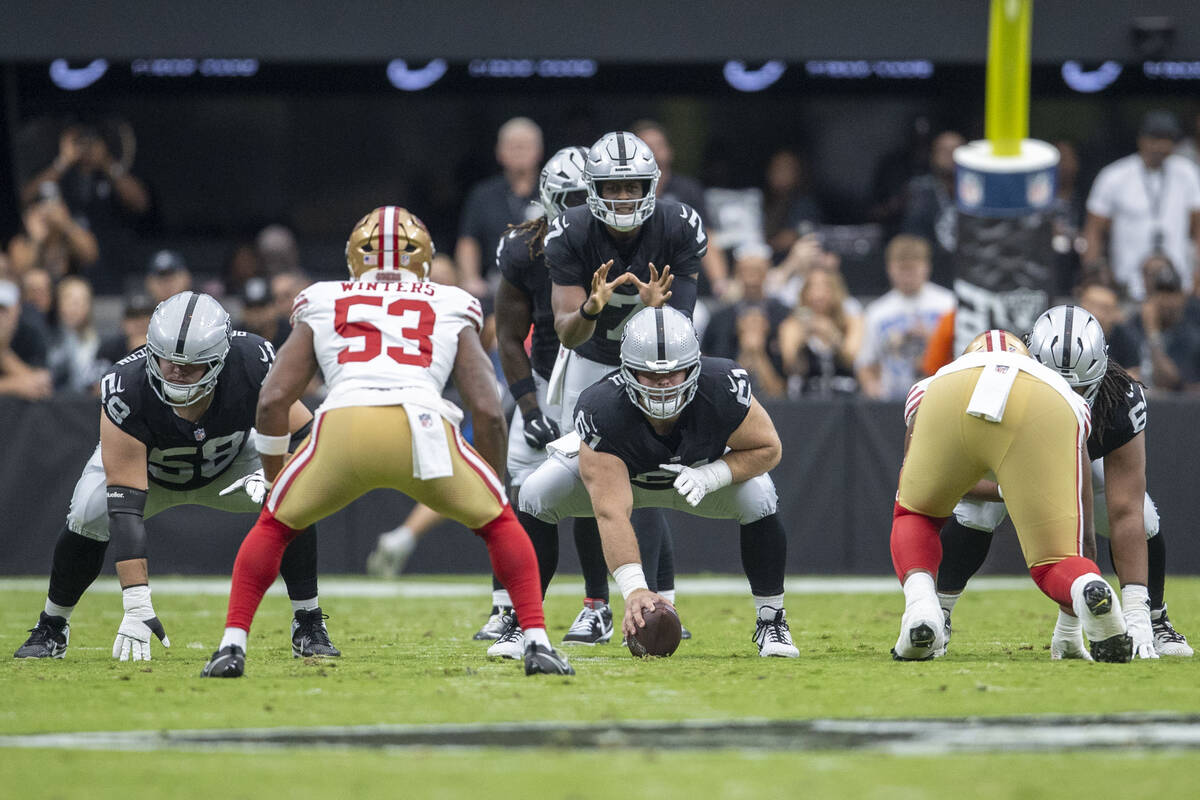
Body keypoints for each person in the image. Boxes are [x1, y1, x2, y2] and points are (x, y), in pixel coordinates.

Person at [200, 206, 572, 678]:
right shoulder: (449, 301)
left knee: (274, 526)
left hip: (344, 425)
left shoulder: (323, 297)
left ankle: (232, 645)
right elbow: (488, 409)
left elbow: (273, 400)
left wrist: (276, 479)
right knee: (502, 524)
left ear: (355, 256)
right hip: (422, 427)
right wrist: (493, 485)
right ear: (425, 258)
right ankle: (536, 641)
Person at [14, 290, 338, 661]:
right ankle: (52, 625)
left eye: (191, 365)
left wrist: (273, 477)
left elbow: (303, 433)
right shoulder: (127, 386)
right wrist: (136, 603)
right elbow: (125, 508)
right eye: (167, 362)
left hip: (232, 465)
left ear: (220, 359)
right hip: (150, 475)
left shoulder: (251, 363)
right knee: (89, 513)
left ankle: (308, 622)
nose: (176, 372)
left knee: (292, 496)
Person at [520, 306, 798, 658]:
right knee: (536, 492)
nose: (664, 384)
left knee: (760, 496)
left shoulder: (723, 386)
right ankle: (520, 622)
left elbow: (769, 448)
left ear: (694, 367)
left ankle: (771, 620)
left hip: (696, 479)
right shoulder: (601, 407)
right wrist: (635, 590)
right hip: (624, 482)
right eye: (650, 376)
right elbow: (611, 514)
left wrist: (711, 476)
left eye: (674, 373)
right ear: (628, 371)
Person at [937, 306, 1192, 659]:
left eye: (1080, 387)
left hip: (1080, 468)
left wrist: (1130, 610)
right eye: (1057, 384)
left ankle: (1152, 616)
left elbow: (1123, 511)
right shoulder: (996, 386)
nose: (1069, 398)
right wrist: (1013, 489)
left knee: (1144, 516)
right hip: (1009, 466)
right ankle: (937, 613)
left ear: (1102, 369)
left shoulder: (1120, 400)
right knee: (974, 512)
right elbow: (951, 477)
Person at [540, 130, 708, 648]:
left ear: (652, 184)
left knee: (652, 481)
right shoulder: (569, 232)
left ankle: (664, 604)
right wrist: (592, 308)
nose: (623, 197)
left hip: (658, 363)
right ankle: (597, 605)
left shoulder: (677, 224)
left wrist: (657, 309)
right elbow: (567, 330)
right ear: (593, 190)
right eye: (612, 188)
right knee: (596, 488)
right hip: (590, 364)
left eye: (632, 185)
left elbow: (680, 328)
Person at [458, 145, 626, 656]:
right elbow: (508, 336)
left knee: (595, 494)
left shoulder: (621, 244)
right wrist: (529, 408)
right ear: (552, 200)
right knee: (517, 496)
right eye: (572, 198)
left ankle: (600, 606)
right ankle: (506, 606)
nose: (581, 208)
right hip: (543, 381)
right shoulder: (523, 246)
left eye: (587, 197)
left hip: (604, 381)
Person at [891, 328, 1132, 663]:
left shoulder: (939, 379)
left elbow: (914, 486)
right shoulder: (1063, 391)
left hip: (948, 392)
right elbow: (1082, 505)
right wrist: (1083, 575)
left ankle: (922, 610)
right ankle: (1086, 587)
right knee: (1056, 562)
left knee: (915, 516)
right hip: (1046, 401)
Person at [1083, 110, 1200, 300]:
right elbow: (1094, 231)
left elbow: (1198, 229)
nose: (1161, 146)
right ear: (1141, 139)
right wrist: (1093, 278)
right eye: (1155, 138)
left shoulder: (1187, 173)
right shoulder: (1114, 176)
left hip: (1178, 285)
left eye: (1167, 139)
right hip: (1128, 284)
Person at [630, 120, 730, 298]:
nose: (653, 151)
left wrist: (720, 282)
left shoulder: (688, 190)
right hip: (632, 283)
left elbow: (706, 237)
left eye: (659, 145)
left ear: (670, 151)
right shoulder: (625, 192)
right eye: (647, 146)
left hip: (681, 282)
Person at [856, 234, 955, 400]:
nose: (907, 275)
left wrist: (933, 338)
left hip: (940, 399)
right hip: (893, 399)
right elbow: (865, 362)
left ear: (926, 266)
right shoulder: (877, 312)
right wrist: (871, 387)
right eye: (902, 268)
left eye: (913, 268)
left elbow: (963, 357)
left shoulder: (948, 305)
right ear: (890, 268)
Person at [455, 117, 544, 298]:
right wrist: (471, 279)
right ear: (499, 152)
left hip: (545, 280)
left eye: (525, 145)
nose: (519, 151)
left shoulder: (553, 192)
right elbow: (468, 241)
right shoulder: (483, 194)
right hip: (496, 283)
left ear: (539, 151)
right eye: (512, 146)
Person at [777, 267, 861, 396]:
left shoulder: (850, 321)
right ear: (804, 292)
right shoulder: (792, 325)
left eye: (825, 287)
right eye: (813, 287)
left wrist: (832, 335)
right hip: (807, 397)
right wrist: (803, 340)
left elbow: (851, 359)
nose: (819, 294)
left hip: (845, 395)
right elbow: (791, 367)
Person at [900, 130, 965, 287]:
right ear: (932, 155)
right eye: (943, 150)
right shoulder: (920, 190)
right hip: (932, 276)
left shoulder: (979, 192)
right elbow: (912, 238)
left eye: (956, 150)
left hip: (969, 273)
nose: (950, 155)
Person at [1132, 254, 1200, 391]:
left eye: (1172, 294)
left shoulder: (1190, 334)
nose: (1167, 301)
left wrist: (1152, 332)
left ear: (1182, 298)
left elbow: (1169, 381)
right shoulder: (1133, 324)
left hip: (1169, 408)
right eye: (1161, 293)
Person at [45, 275, 105, 394]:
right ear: (58, 303)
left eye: (82, 300)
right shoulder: (45, 337)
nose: (75, 305)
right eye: (69, 298)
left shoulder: (100, 343)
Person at [0, 279, 52, 400]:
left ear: (17, 310)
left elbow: (43, 385)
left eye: (4, 309)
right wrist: (13, 385)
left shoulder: (30, 333)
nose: (0, 316)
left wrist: (2, 353)